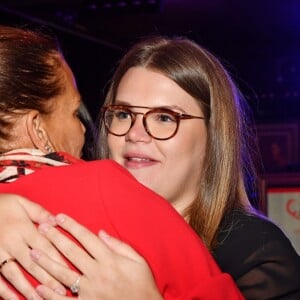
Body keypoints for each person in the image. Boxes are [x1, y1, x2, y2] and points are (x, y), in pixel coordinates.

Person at [24, 35, 300, 299]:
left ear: (213, 137)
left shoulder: (254, 251)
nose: (135, 133)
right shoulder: (76, 228)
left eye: (164, 118)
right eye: (123, 114)